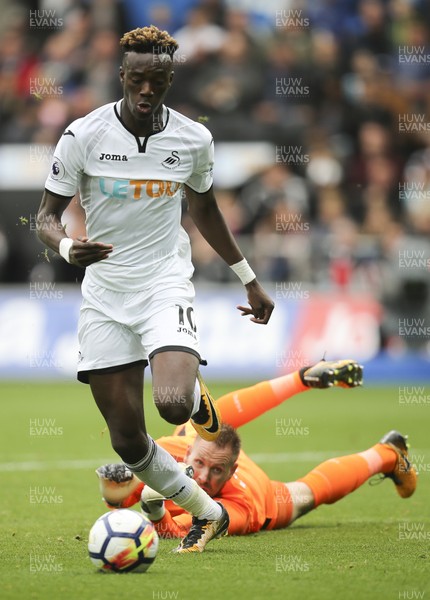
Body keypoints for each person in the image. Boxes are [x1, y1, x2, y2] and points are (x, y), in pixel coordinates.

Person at [36, 25, 274, 554]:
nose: (148, 92)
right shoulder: (83, 135)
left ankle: (193, 393)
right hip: (103, 294)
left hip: (164, 282)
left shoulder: (193, 138)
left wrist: (248, 279)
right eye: (139, 80)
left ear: (170, 79)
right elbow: (45, 218)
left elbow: (205, 210)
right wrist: (70, 248)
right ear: (122, 76)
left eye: (159, 82)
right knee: (127, 439)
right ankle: (208, 513)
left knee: (170, 405)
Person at [97, 358, 416, 547]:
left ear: (231, 471)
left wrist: (153, 512)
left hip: (254, 493)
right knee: (207, 419)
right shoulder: (174, 446)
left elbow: (173, 530)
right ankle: (307, 379)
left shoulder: (242, 507)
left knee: (309, 493)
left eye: (216, 472)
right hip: (206, 451)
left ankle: (387, 455)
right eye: (200, 466)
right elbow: (118, 492)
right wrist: (300, 379)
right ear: (187, 453)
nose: (205, 479)